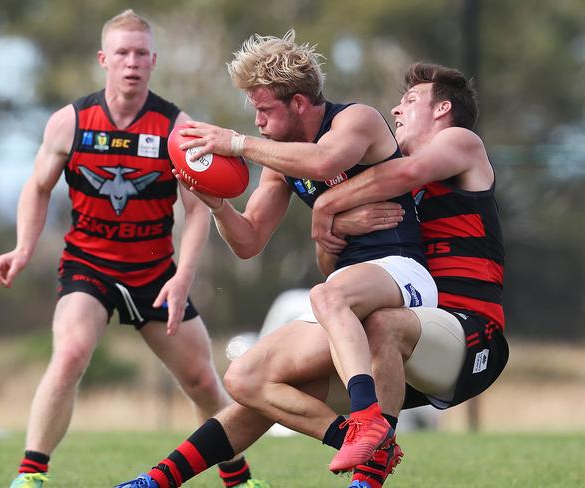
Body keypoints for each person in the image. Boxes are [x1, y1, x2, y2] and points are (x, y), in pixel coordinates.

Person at [116, 60, 508, 488]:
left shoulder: (458, 142)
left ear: (442, 109)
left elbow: (393, 172)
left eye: (410, 101)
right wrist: (221, 205)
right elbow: (272, 249)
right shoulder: (376, 173)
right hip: (398, 330)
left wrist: (324, 207)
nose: (396, 109)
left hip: (469, 333)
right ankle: (158, 480)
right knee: (253, 380)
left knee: (368, 315)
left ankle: (368, 433)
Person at [0, 10, 264, 488]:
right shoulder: (70, 122)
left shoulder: (177, 128)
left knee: (202, 379)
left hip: (155, 271)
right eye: (122, 52)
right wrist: (22, 247)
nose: (132, 61)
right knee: (71, 352)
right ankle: (31, 474)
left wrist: (183, 278)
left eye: (141, 53)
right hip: (88, 264)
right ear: (104, 59)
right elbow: (36, 188)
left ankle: (237, 479)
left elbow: (199, 210)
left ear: (153, 60)